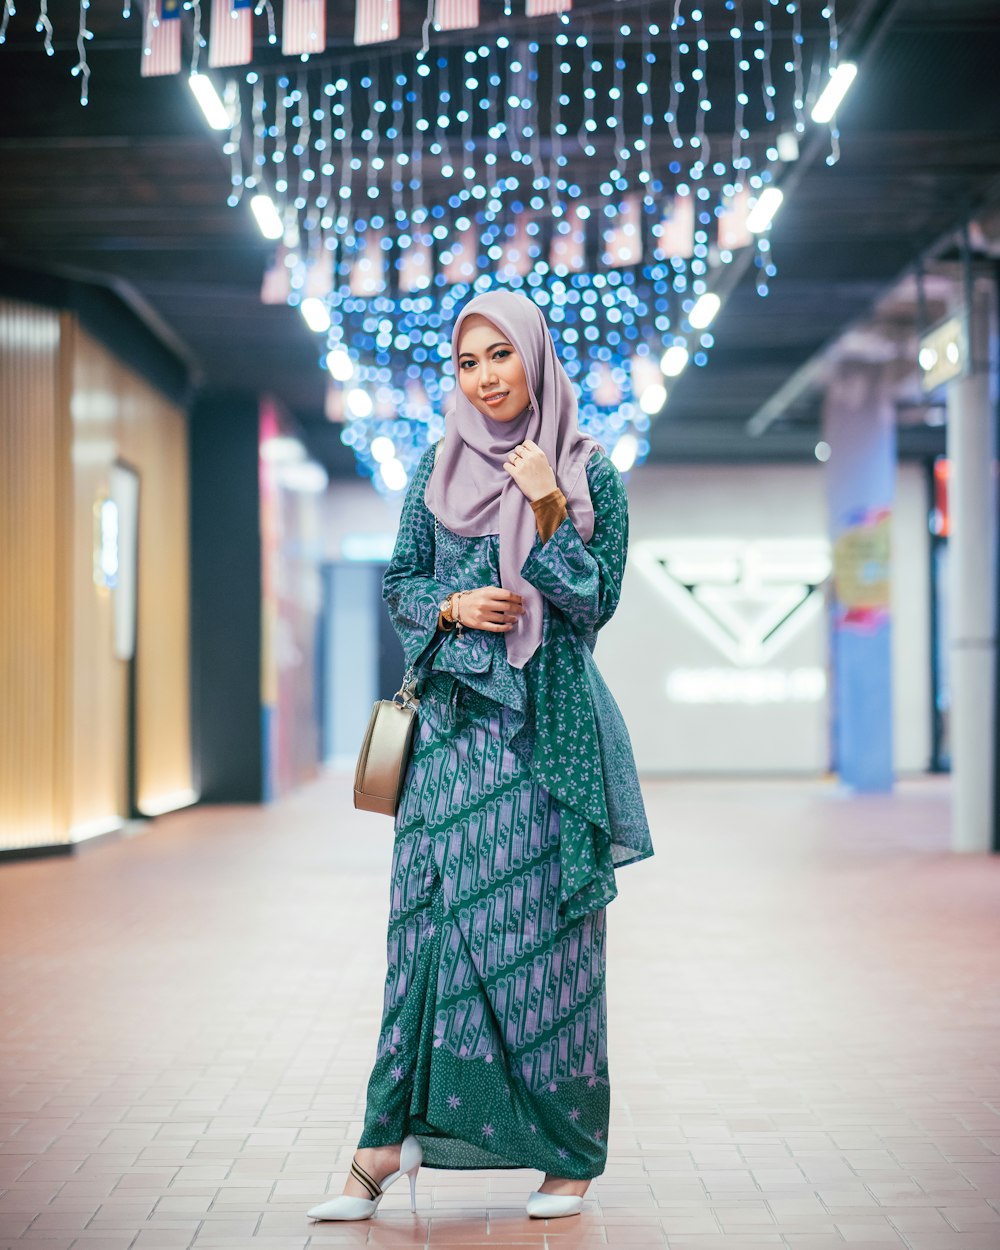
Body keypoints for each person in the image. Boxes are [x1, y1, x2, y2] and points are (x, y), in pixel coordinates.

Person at [307, 287, 653, 1224]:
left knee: (548, 944)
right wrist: (455, 608)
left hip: (548, 740)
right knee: (428, 931)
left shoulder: (589, 473)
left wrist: (545, 499)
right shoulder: (435, 468)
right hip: (453, 736)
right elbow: (402, 583)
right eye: (467, 362)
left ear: (534, 358)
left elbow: (592, 603)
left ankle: (570, 1154)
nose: (485, 377)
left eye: (500, 355)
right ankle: (385, 1142)